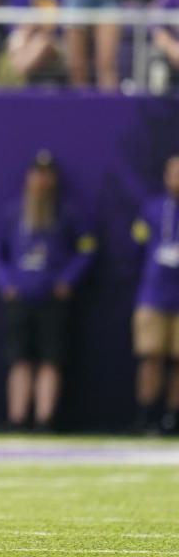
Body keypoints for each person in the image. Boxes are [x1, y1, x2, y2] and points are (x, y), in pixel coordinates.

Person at [0, 150, 96, 431]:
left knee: (51, 358)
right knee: (19, 358)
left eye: (47, 175)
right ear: (29, 177)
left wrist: (67, 280)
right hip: (20, 296)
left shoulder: (68, 211)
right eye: (37, 174)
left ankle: (44, 420)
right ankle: (17, 419)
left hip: (52, 298)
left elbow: (86, 249)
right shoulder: (13, 211)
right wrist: (5, 283)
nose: (42, 180)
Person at [131, 155, 179, 435]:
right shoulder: (151, 208)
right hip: (154, 294)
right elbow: (136, 247)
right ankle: (146, 416)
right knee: (150, 357)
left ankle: (172, 419)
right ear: (166, 176)